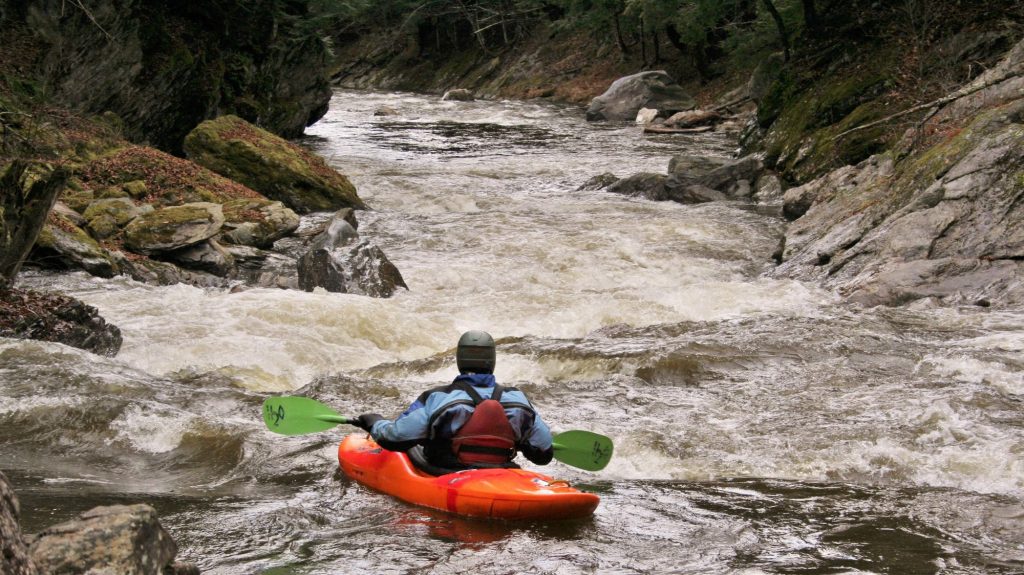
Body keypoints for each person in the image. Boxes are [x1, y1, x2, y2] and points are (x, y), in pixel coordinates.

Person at [352, 330, 554, 472]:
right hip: (502, 469)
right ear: (492, 360)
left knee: (414, 444)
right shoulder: (518, 400)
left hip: (449, 472)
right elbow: (543, 453)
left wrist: (375, 423)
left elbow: (396, 437)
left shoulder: (438, 398)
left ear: (460, 360)